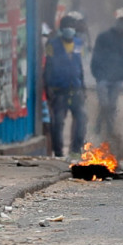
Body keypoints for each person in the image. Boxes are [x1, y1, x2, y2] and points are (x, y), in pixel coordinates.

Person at [42, 17, 87, 157]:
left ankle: (76, 150)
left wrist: (83, 86)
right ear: (61, 29)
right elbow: (47, 67)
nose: (70, 29)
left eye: (72, 26)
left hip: (76, 89)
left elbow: (80, 66)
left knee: (81, 120)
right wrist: (48, 87)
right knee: (58, 123)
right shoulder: (52, 45)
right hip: (58, 91)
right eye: (67, 26)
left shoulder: (79, 44)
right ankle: (59, 153)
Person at [91, 8, 123, 141]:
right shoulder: (103, 37)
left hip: (116, 79)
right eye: (120, 21)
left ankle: (107, 130)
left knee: (112, 106)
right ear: (115, 21)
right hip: (103, 77)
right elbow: (96, 56)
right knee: (105, 104)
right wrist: (97, 74)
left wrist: (122, 75)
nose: (121, 24)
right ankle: (102, 127)